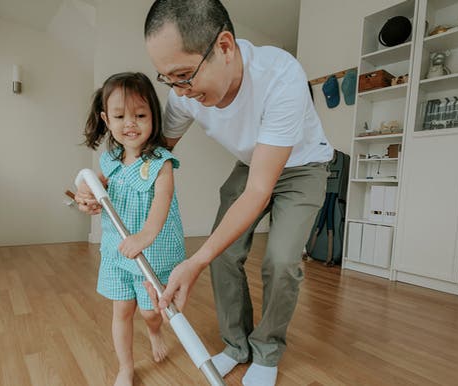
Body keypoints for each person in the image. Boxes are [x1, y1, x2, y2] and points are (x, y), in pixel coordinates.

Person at [143, 1, 333, 385]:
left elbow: (260, 190)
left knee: (280, 261)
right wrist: (106, 181)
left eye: (184, 75)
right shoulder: (183, 95)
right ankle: (236, 346)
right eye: (168, 79)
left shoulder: (280, 75)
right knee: (224, 254)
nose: (180, 90)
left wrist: (194, 261)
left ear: (225, 46)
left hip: (303, 166)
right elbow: (153, 156)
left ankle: (267, 350)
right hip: (253, 163)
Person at [76, 72, 185, 386]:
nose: (130, 124)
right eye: (120, 116)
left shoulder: (162, 162)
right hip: (117, 253)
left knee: (151, 313)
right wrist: (86, 193)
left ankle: (154, 331)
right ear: (105, 119)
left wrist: (145, 236)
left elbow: (162, 202)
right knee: (121, 312)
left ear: (153, 115)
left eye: (140, 115)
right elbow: (90, 181)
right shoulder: (110, 160)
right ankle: (125, 367)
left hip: (152, 254)